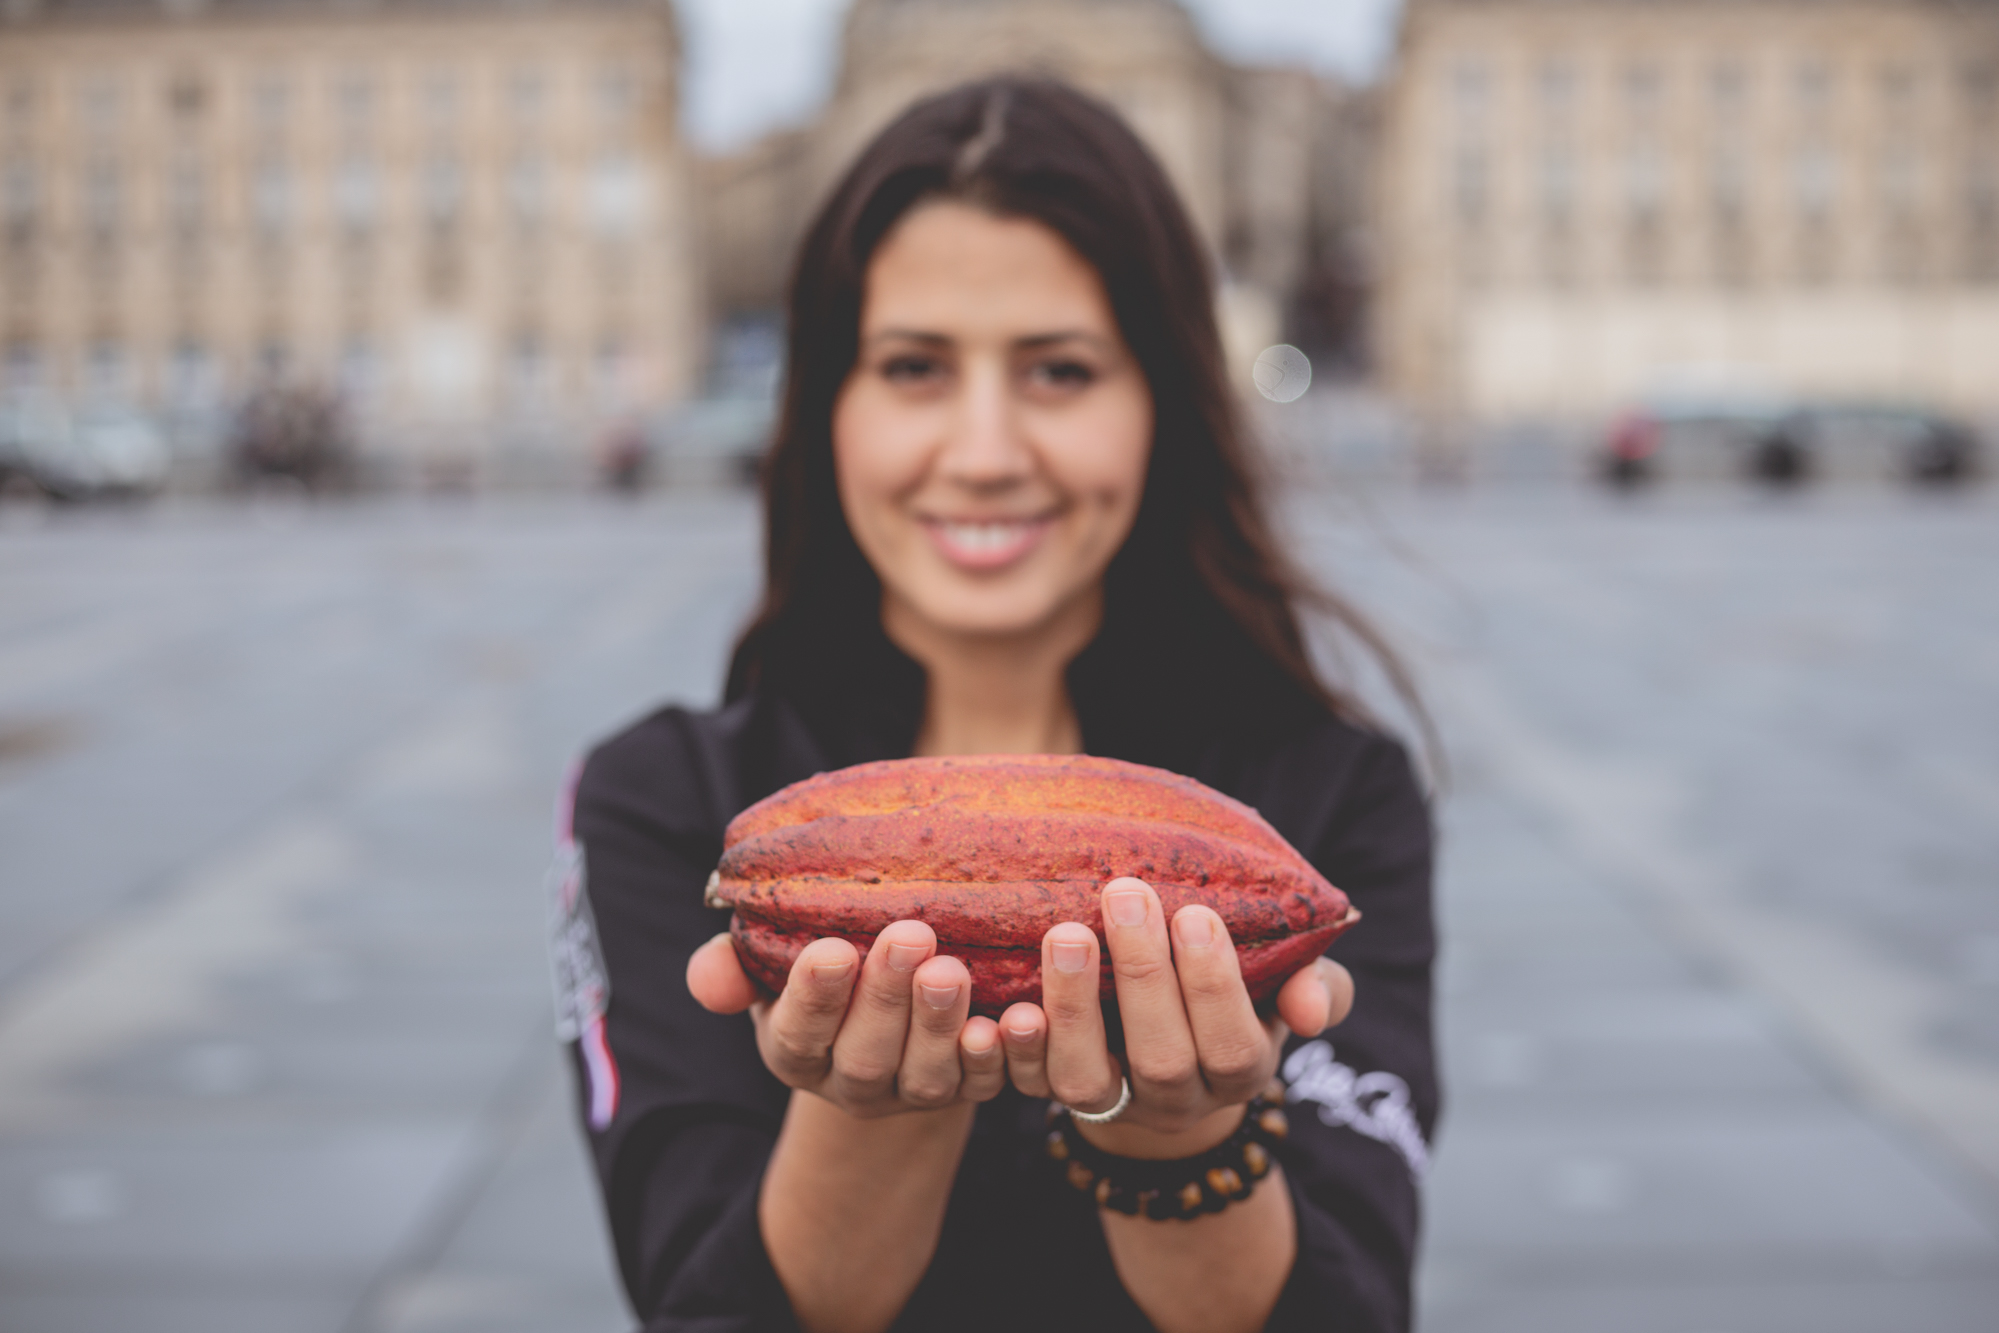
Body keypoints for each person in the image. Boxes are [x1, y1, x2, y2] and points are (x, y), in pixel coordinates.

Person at [551, 78, 1437, 1333]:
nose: (982, 449)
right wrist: (872, 1117)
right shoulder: (661, 804)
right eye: (913, 367)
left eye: (1060, 371)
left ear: (1161, 404)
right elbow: (699, 1305)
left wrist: (1174, 1140)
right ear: (824, 408)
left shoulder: (1330, 799)